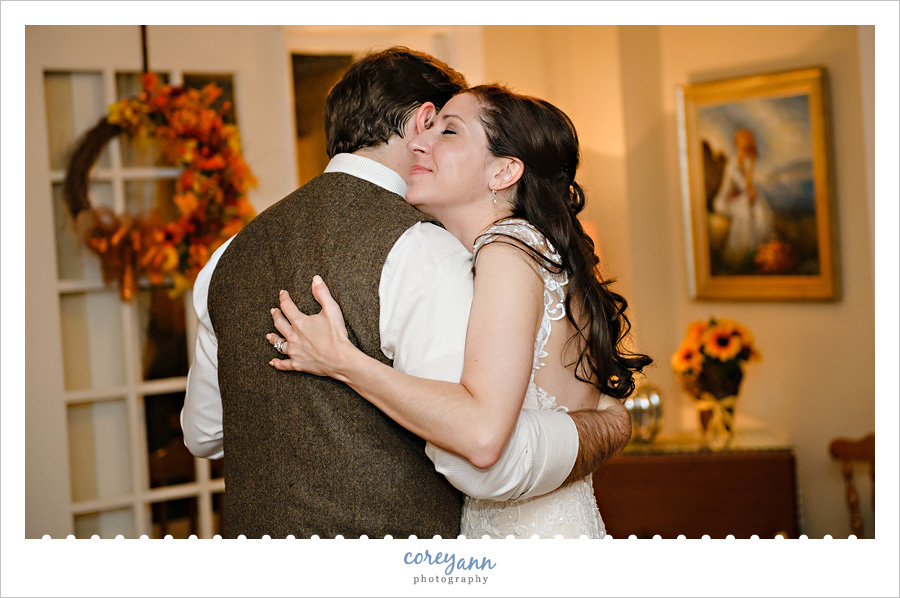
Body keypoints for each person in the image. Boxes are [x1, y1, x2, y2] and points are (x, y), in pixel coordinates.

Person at [181, 48, 633, 539]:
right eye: (438, 127)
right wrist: (608, 427)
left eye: (451, 132)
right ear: (422, 119)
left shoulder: (230, 253)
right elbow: (481, 461)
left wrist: (341, 367)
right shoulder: (427, 250)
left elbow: (203, 433)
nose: (429, 146)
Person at [711, 128, 776, 272]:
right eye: (743, 146)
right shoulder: (732, 165)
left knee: (759, 202)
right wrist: (751, 164)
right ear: (737, 146)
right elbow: (745, 187)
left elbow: (750, 191)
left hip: (738, 199)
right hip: (723, 202)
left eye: (748, 145)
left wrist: (750, 165)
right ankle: (740, 250)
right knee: (746, 205)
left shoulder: (745, 163)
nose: (746, 149)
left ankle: (762, 244)